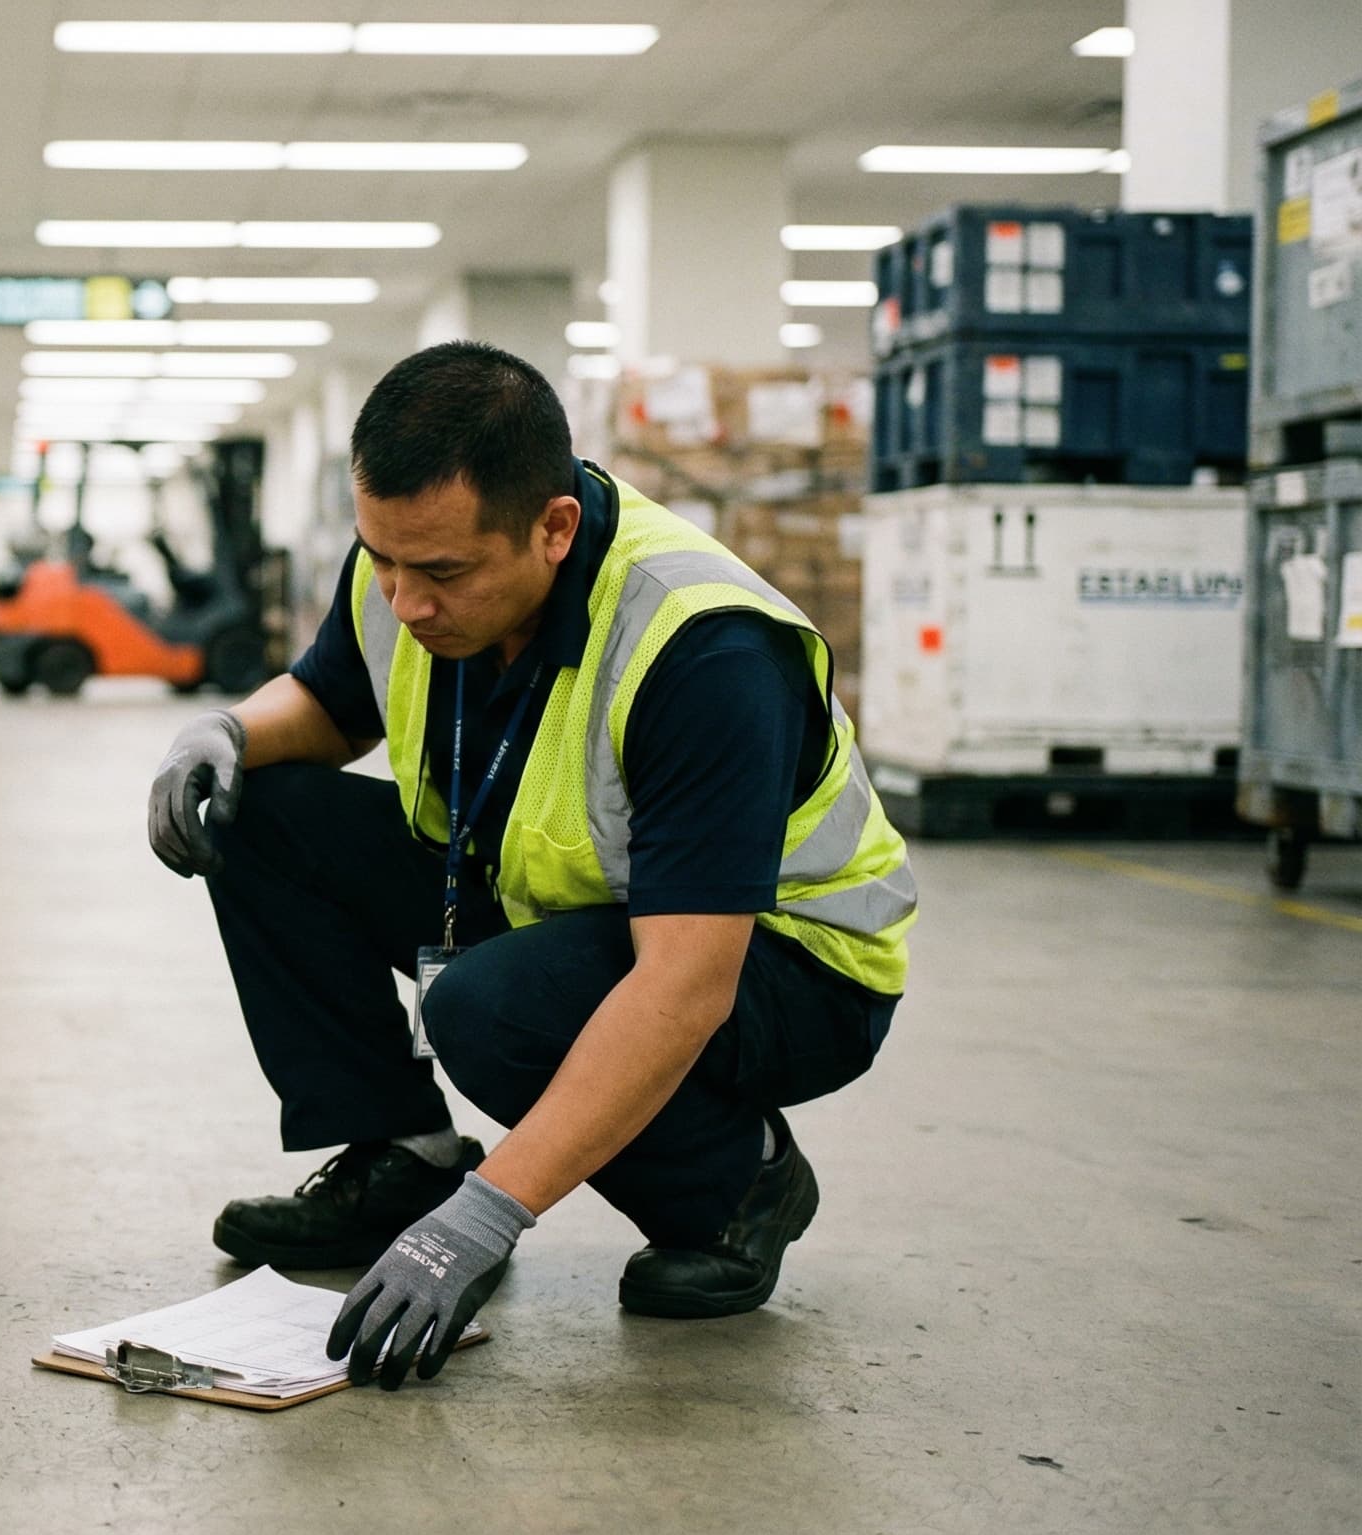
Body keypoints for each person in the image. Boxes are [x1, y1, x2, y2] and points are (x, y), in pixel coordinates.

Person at [145, 342, 915, 1391]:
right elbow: (332, 702)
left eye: (444, 574)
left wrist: (489, 1216)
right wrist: (226, 732)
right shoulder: (411, 558)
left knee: (490, 1008)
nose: (407, 602)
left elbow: (684, 987)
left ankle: (742, 1188)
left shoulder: (704, 651)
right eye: (383, 561)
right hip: (550, 902)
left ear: (554, 529)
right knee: (262, 810)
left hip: (785, 967)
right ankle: (400, 1162)